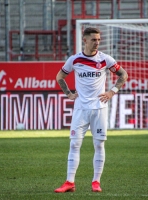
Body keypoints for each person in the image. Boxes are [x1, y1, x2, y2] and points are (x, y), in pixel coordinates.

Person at [54, 27, 128, 193]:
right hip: (81, 109)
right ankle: (69, 182)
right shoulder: (75, 60)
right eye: (94, 39)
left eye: (99, 39)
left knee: (98, 145)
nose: (97, 43)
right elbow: (60, 76)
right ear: (85, 40)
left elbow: (123, 74)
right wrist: (68, 94)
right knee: (74, 144)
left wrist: (111, 92)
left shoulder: (105, 59)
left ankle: (96, 182)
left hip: (99, 109)